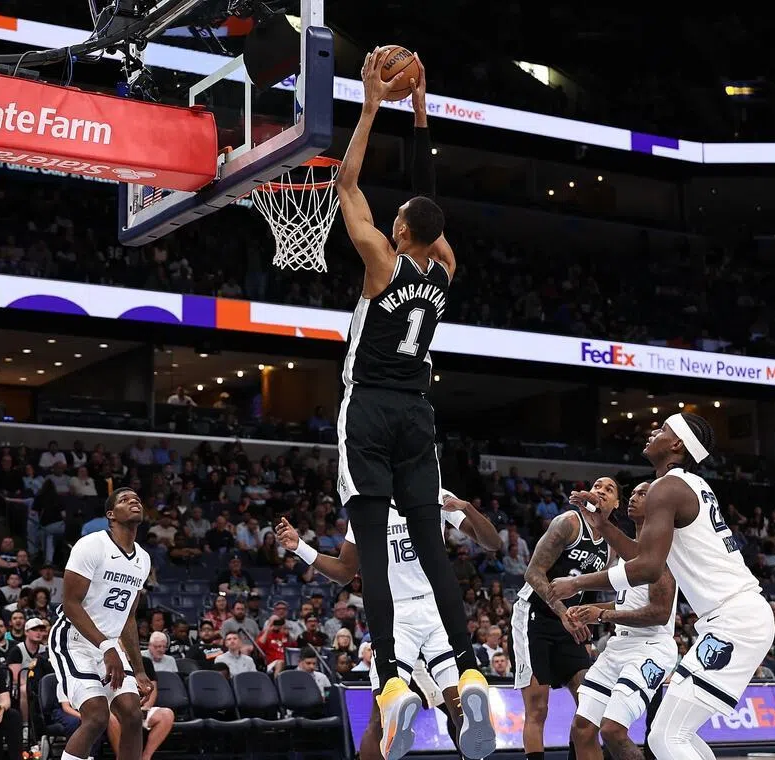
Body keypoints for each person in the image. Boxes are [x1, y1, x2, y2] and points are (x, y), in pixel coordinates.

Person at [335, 49, 491, 760]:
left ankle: (394, 681)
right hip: (418, 418)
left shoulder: (379, 260)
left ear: (400, 232)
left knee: (373, 551)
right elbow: (429, 201)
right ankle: (467, 667)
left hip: (369, 408)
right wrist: (422, 112)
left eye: (397, 216)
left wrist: (373, 108)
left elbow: (346, 182)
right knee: (432, 553)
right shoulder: (445, 269)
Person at [548, 413, 774, 760]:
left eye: (663, 429)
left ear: (677, 445)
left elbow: (649, 568)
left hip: (734, 620)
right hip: (735, 617)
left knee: (666, 738)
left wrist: (577, 582)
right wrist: (603, 524)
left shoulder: (667, 487)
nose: (654, 432)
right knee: (675, 735)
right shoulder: (689, 485)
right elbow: (644, 555)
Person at [277, 484, 501, 760]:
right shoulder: (366, 508)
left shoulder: (434, 493)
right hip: (396, 617)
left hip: (437, 610)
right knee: (383, 717)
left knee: (458, 711)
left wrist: (466, 507)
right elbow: (345, 571)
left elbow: (493, 543)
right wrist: (299, 546)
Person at [567, 482, 678, 760]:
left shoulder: (663, 551)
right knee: (582, 729)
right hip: (619, 645)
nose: (634, 498)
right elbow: (625, 603)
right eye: (635, 493)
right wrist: (588, 610)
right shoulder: (628, 553)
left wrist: (602, 615)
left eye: (644, 494)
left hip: (651, 647)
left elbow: (659, 612)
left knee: (612, 730)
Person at [514, 477, 617, 760]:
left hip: (570, 622)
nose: (601, 491)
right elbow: (532, 573)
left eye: (609, 489)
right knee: (538, 707)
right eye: (597, 486)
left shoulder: (611, 544)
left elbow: (594, 595)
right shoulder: (568, 523)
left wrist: (584, 622)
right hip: (535, 615)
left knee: (589, 703)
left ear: (616, 503)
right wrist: (562, 612)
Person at [47, 488, 153, 760]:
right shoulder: (92, 544)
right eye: (124, 499)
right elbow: (70, 604)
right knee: (96, 715)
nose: (134, 501)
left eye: (137, 498)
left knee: (131, 714)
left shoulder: (143, 559)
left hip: (108, 645)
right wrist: (107, 647)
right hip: (73, 640)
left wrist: (139, 670)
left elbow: (128, 616)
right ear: (111, 515)